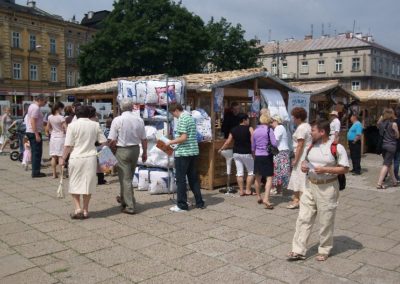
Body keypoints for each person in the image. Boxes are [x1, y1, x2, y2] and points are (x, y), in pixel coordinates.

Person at [288, 119, 349, 262]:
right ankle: (298, 250)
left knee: (325, 220)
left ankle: (324, 249)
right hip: (309, 186)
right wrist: (304, 166)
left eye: (313, 131)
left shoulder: (336, 147)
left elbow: (345, 168)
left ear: (322, 132)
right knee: (303, 218)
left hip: (327, 188)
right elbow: (306, 161)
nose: (311, 133)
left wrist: (325, 169)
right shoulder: (311, 146)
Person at [60, 106, 107, 219]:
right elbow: (104, 142)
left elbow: (68, 145)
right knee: (88, 183)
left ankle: (77, 208)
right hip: (90, 157)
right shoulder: (95, 125)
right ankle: (85, 209)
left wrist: (62, 158)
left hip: (76, 157)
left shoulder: (72, 126)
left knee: (75, 182)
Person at [108, 99, 148, 215]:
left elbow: (112, 139)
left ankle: (130, 206)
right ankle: (124, 200)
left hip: (122, 150)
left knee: (125, 179)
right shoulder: (139, 120)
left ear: (120, 107)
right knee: (126, 177)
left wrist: (108, 151)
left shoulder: (118, 120)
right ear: (132, 107)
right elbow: (144, 139)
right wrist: (145, 152)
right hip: (135, 149)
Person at [166, 103, 205, 212]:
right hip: (193, 151)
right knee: (193, 178)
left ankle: (182, 205)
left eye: (173, 113)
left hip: (183, 153)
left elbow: (183, 137)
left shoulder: (182, 119)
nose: (174, 116)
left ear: (176, 110)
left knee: (181, 179)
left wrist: (170, 142)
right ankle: (199, 202)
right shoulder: (190, 117)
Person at [219, 113, 254, 196]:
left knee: (239, 172)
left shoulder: (233, 129)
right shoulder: (250, 128)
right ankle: (248, 190)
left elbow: (228, 142)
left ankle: (241, 191)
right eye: (247, 119)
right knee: (251, 172)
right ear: (244, 120)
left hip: (236, 153)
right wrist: (254, 151)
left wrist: (221, 148)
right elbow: (253, 141)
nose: (248, 120)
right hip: (247, 152)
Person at [287, 107, 312, 209]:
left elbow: (300, 145)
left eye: (294, 117)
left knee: (299, 177)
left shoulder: (301, 128)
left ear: (298, 118)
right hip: (307, 155)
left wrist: (295, 159)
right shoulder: (308, 126)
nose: (293, 119)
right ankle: (299, 199)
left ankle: (298, 200)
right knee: (303, 178)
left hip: (301, 156)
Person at [252, 113, 277, 208]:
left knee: (257, 177)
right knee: (269, 177)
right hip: (267, 156)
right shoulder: (269, 130)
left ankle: (258, 196)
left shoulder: (255, 131)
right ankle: (266, 199)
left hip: (258, 155)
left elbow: (253, 146)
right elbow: (274, 143)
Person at [25, 94, 47, 178]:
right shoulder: (36, 108)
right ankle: (36, 172)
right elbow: (33, 121)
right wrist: (36, 134)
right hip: (34, 132)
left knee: (35, 152)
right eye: (45, 101)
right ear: (40, 100)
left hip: (32, 131)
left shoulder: (32, 106)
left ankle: (36, 171)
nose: (45, 103)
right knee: (37, 152)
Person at [376, 108, 399, 189]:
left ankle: (394, 181)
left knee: (389, 164)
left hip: (383, 146)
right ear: (392, 114)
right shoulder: (394, 124)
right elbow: (397, 136)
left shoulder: (381, 124)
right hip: (391, 146)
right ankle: (379, 183)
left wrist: (382, 117)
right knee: (386, 164)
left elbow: (378, 123)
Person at [271, 115, 291, 195]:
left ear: (276, 121)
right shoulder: (281, 127)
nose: (271, 124)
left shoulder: (278, 128)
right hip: (282, 151)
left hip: (280, 152)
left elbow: (275, 141)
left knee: (278, 171)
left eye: (271, 121)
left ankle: (277, 189)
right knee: (281, 171)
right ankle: (279, 189)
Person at [46, 102, 66, 179]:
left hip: (53, 138)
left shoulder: (50, 117)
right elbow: (66, 128)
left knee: (53, 157)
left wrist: (51, 132)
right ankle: (61, 174)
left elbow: (48, 128)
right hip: (60, 137)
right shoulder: (61, 117)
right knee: (61, 156)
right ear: (59, 108)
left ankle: (54, 174)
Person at [394, 106, 400, 181]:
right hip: (398, 143)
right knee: (397, 160)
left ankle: (385, 175)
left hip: (391, 142)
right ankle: (395, 175)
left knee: (388, 160)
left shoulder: (392, 121)